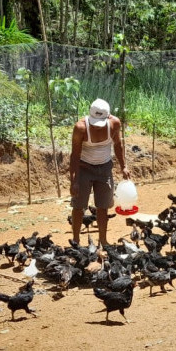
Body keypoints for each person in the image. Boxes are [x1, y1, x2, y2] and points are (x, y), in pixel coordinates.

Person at [69, 98, 130, 246]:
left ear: (108, 117)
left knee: (103, 206)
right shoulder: (81, 128)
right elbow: (74, 155)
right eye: (94, 123)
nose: (96, 127)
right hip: (84, 168)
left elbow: (118, 145)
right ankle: (76, 240)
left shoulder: (114, 124)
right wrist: (74, 181)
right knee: (79, 206)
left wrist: (124, 166)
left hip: (104, 169)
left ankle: (103, 240)